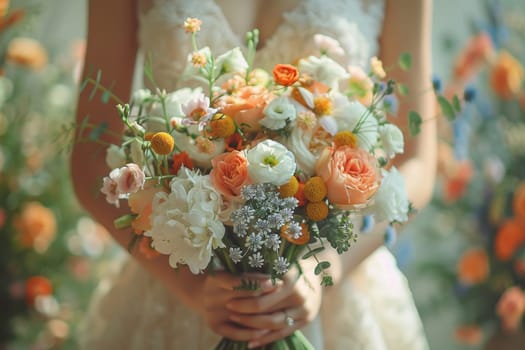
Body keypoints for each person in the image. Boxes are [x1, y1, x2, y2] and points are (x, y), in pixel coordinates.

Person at [71, 0, 436, 349]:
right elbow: (91, 156)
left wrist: (325, 268)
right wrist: (191, 287)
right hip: (177, 283)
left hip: (335, 288)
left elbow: (415, 162)